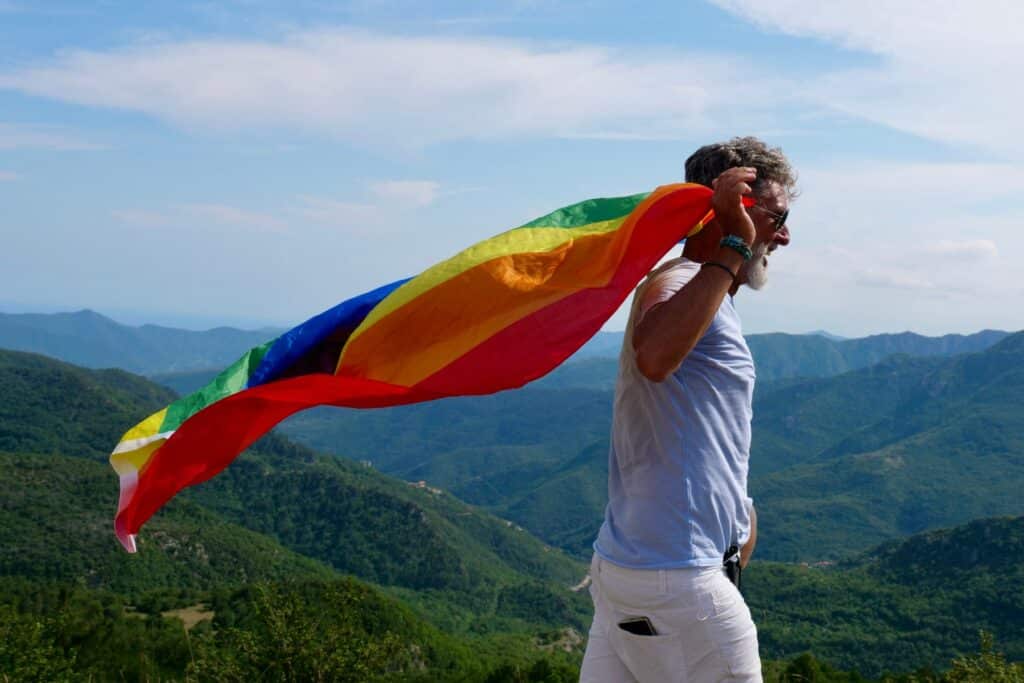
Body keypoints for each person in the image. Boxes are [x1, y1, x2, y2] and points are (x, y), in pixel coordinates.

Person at [579, 137, 796, 683]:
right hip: (677, 579)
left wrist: (738, 524)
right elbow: (654, 356)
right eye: (778, 216)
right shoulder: (680, 282)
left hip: (633, 570)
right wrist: (732, 247)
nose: (785, 235)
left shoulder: (705, 296)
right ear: (735, 209)